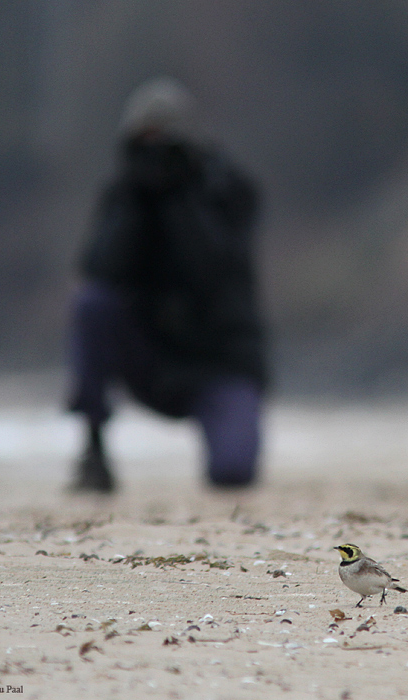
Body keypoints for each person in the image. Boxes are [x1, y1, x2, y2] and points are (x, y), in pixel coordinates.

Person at [66, 77, 268, 493]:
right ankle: (93, 445)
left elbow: (213, 271)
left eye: (166, 144)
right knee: (91, 304)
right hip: (153, 360)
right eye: (146, 143)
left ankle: (229, 432)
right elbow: (101, 270)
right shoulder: (125, 194)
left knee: (233, 474)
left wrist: (179, 196)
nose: (156, 156)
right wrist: (138, 199)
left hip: (220, 360)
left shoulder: (227, 188)